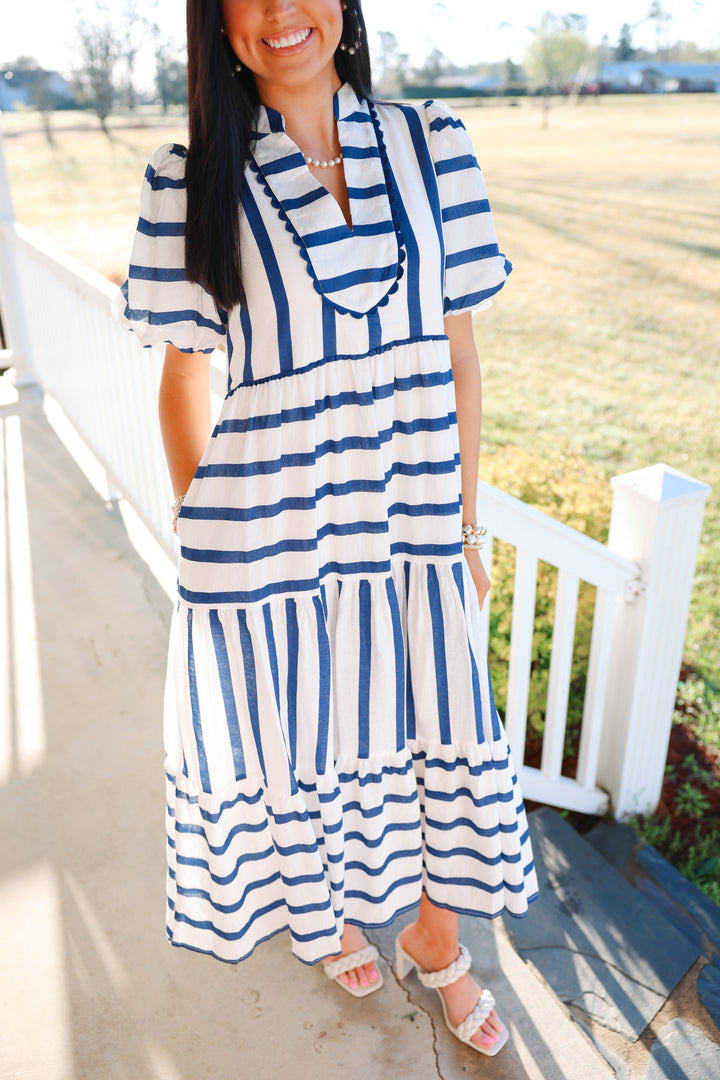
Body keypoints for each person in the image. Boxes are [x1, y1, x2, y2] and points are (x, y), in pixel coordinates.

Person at [113, 0, 538, 1058]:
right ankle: (332, 913)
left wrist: (464, 525)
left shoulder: (434, 144)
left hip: (413, 534)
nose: (275, 11)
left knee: (445, 741)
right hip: (272, 545)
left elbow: (460, 355)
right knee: (311, 747)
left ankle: (438, 940)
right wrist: (205, 536)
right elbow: (183, 382)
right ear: (217, 28)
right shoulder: (191, 178)